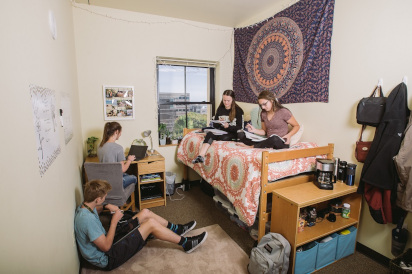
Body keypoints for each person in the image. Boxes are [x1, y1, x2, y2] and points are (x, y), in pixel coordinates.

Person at [75, 180, 207, 270]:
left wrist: (105, 205)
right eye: (104, 197)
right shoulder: (87, 220)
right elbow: (105, 247)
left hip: (110, 240)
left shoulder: (86, 207)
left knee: (145, 213)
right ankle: (186, 243)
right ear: (97, 199)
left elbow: (97, 209)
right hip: (108, 257)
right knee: (150, 224)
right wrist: (114, 221)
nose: (106, 198)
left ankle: (176, 229)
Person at [192, 89, 244, 164]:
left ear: (233, 100)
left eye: (228, 100)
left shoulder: (239, 111)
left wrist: (228, 126)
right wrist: (219, 122)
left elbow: (240, 127)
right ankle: (201, 156)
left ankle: (203, 153)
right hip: (220, 131)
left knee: (224, 137)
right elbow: (215, 124)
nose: (226, 102)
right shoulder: (220, 109)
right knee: (210, 134)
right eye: (224, 100)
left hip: (231, 133)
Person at [97, 122, 137, 188]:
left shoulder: (99, 146)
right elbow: (123, 169)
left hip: (104, 182)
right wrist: (129, 160)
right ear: (116, 132)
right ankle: (120, 194)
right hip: (115, 182)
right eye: (120, 132)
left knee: (126, 175)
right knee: (134, 177)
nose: (120, 134)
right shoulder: (118, 148)